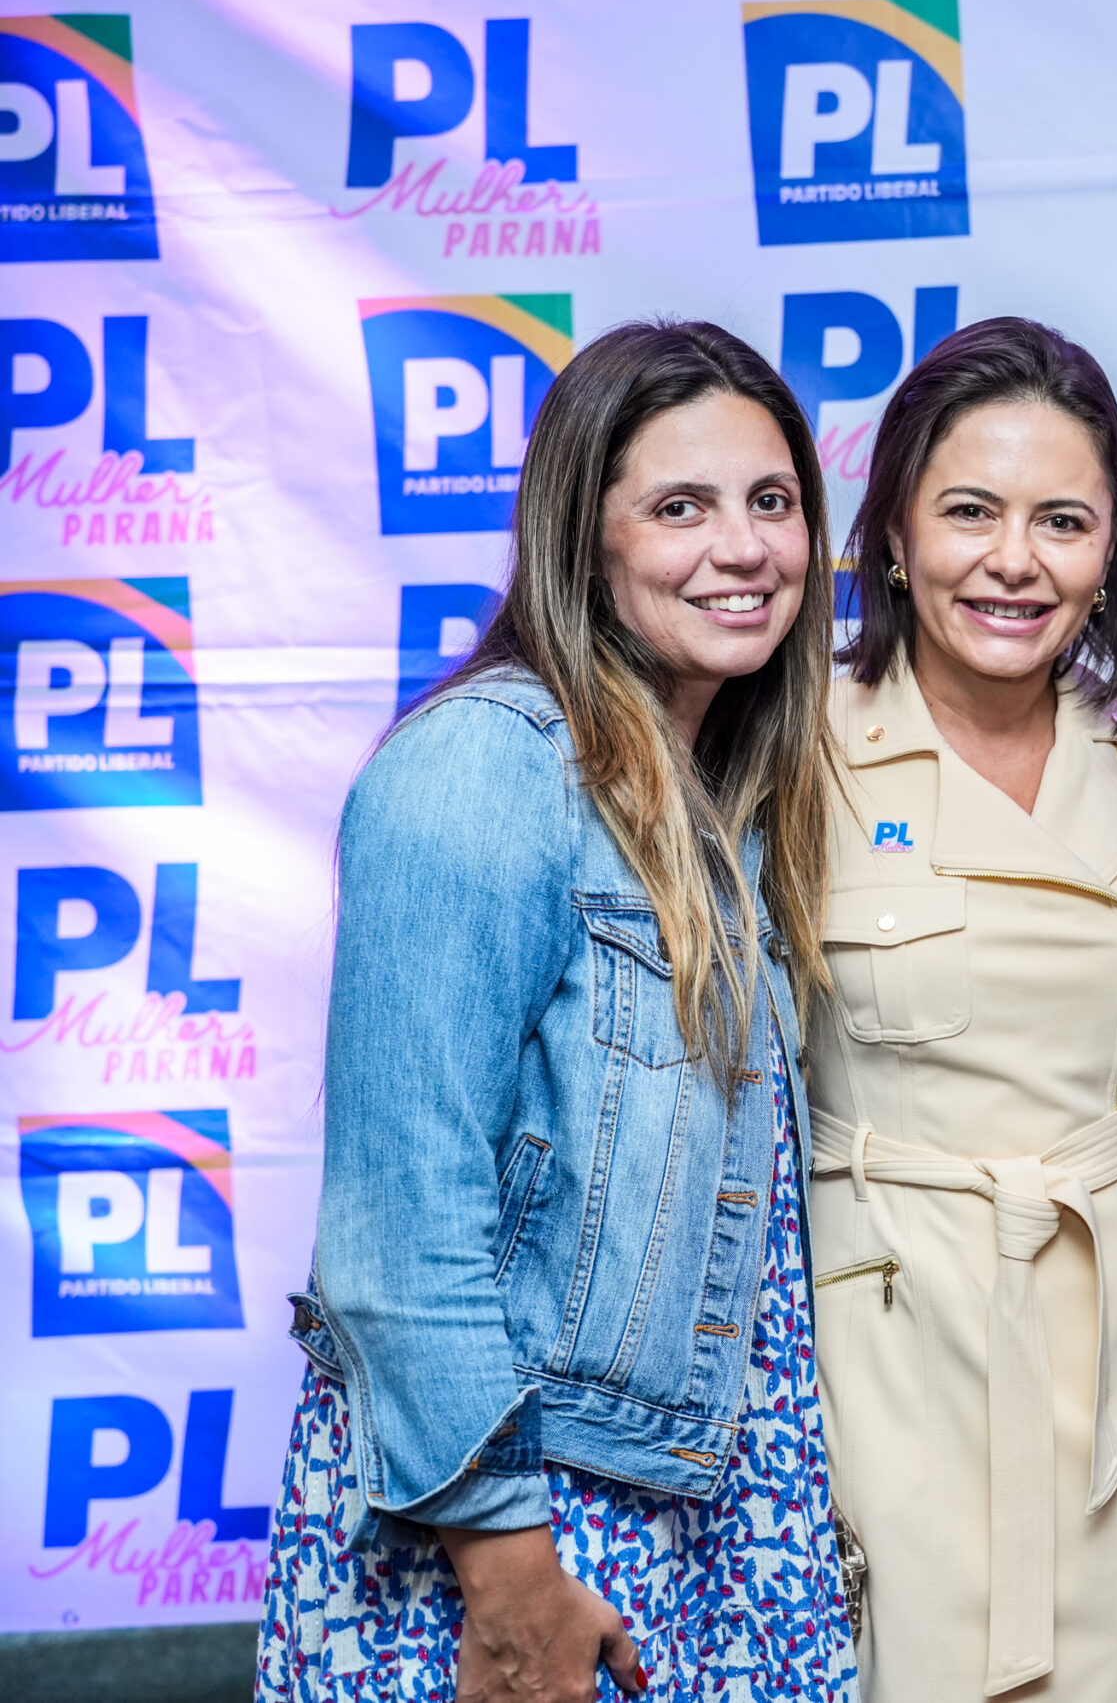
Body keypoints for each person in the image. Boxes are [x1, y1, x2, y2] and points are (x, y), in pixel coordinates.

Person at [259, 322, 853, 1702]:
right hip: (533, 1534)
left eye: (772, 501)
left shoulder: (725, 804)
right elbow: (401, 1227)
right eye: (680, 507)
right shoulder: (486, 766)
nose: (744, 547)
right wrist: (512, 1578)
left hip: (707, 1521)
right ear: (582, 541)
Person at [803, 316, 1117, 1702]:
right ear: (895, 532)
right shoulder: (794, 749)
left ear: (1110, 555)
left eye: (1063, 522)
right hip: (889, 1333)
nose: (1014, 561)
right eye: (970, 512)